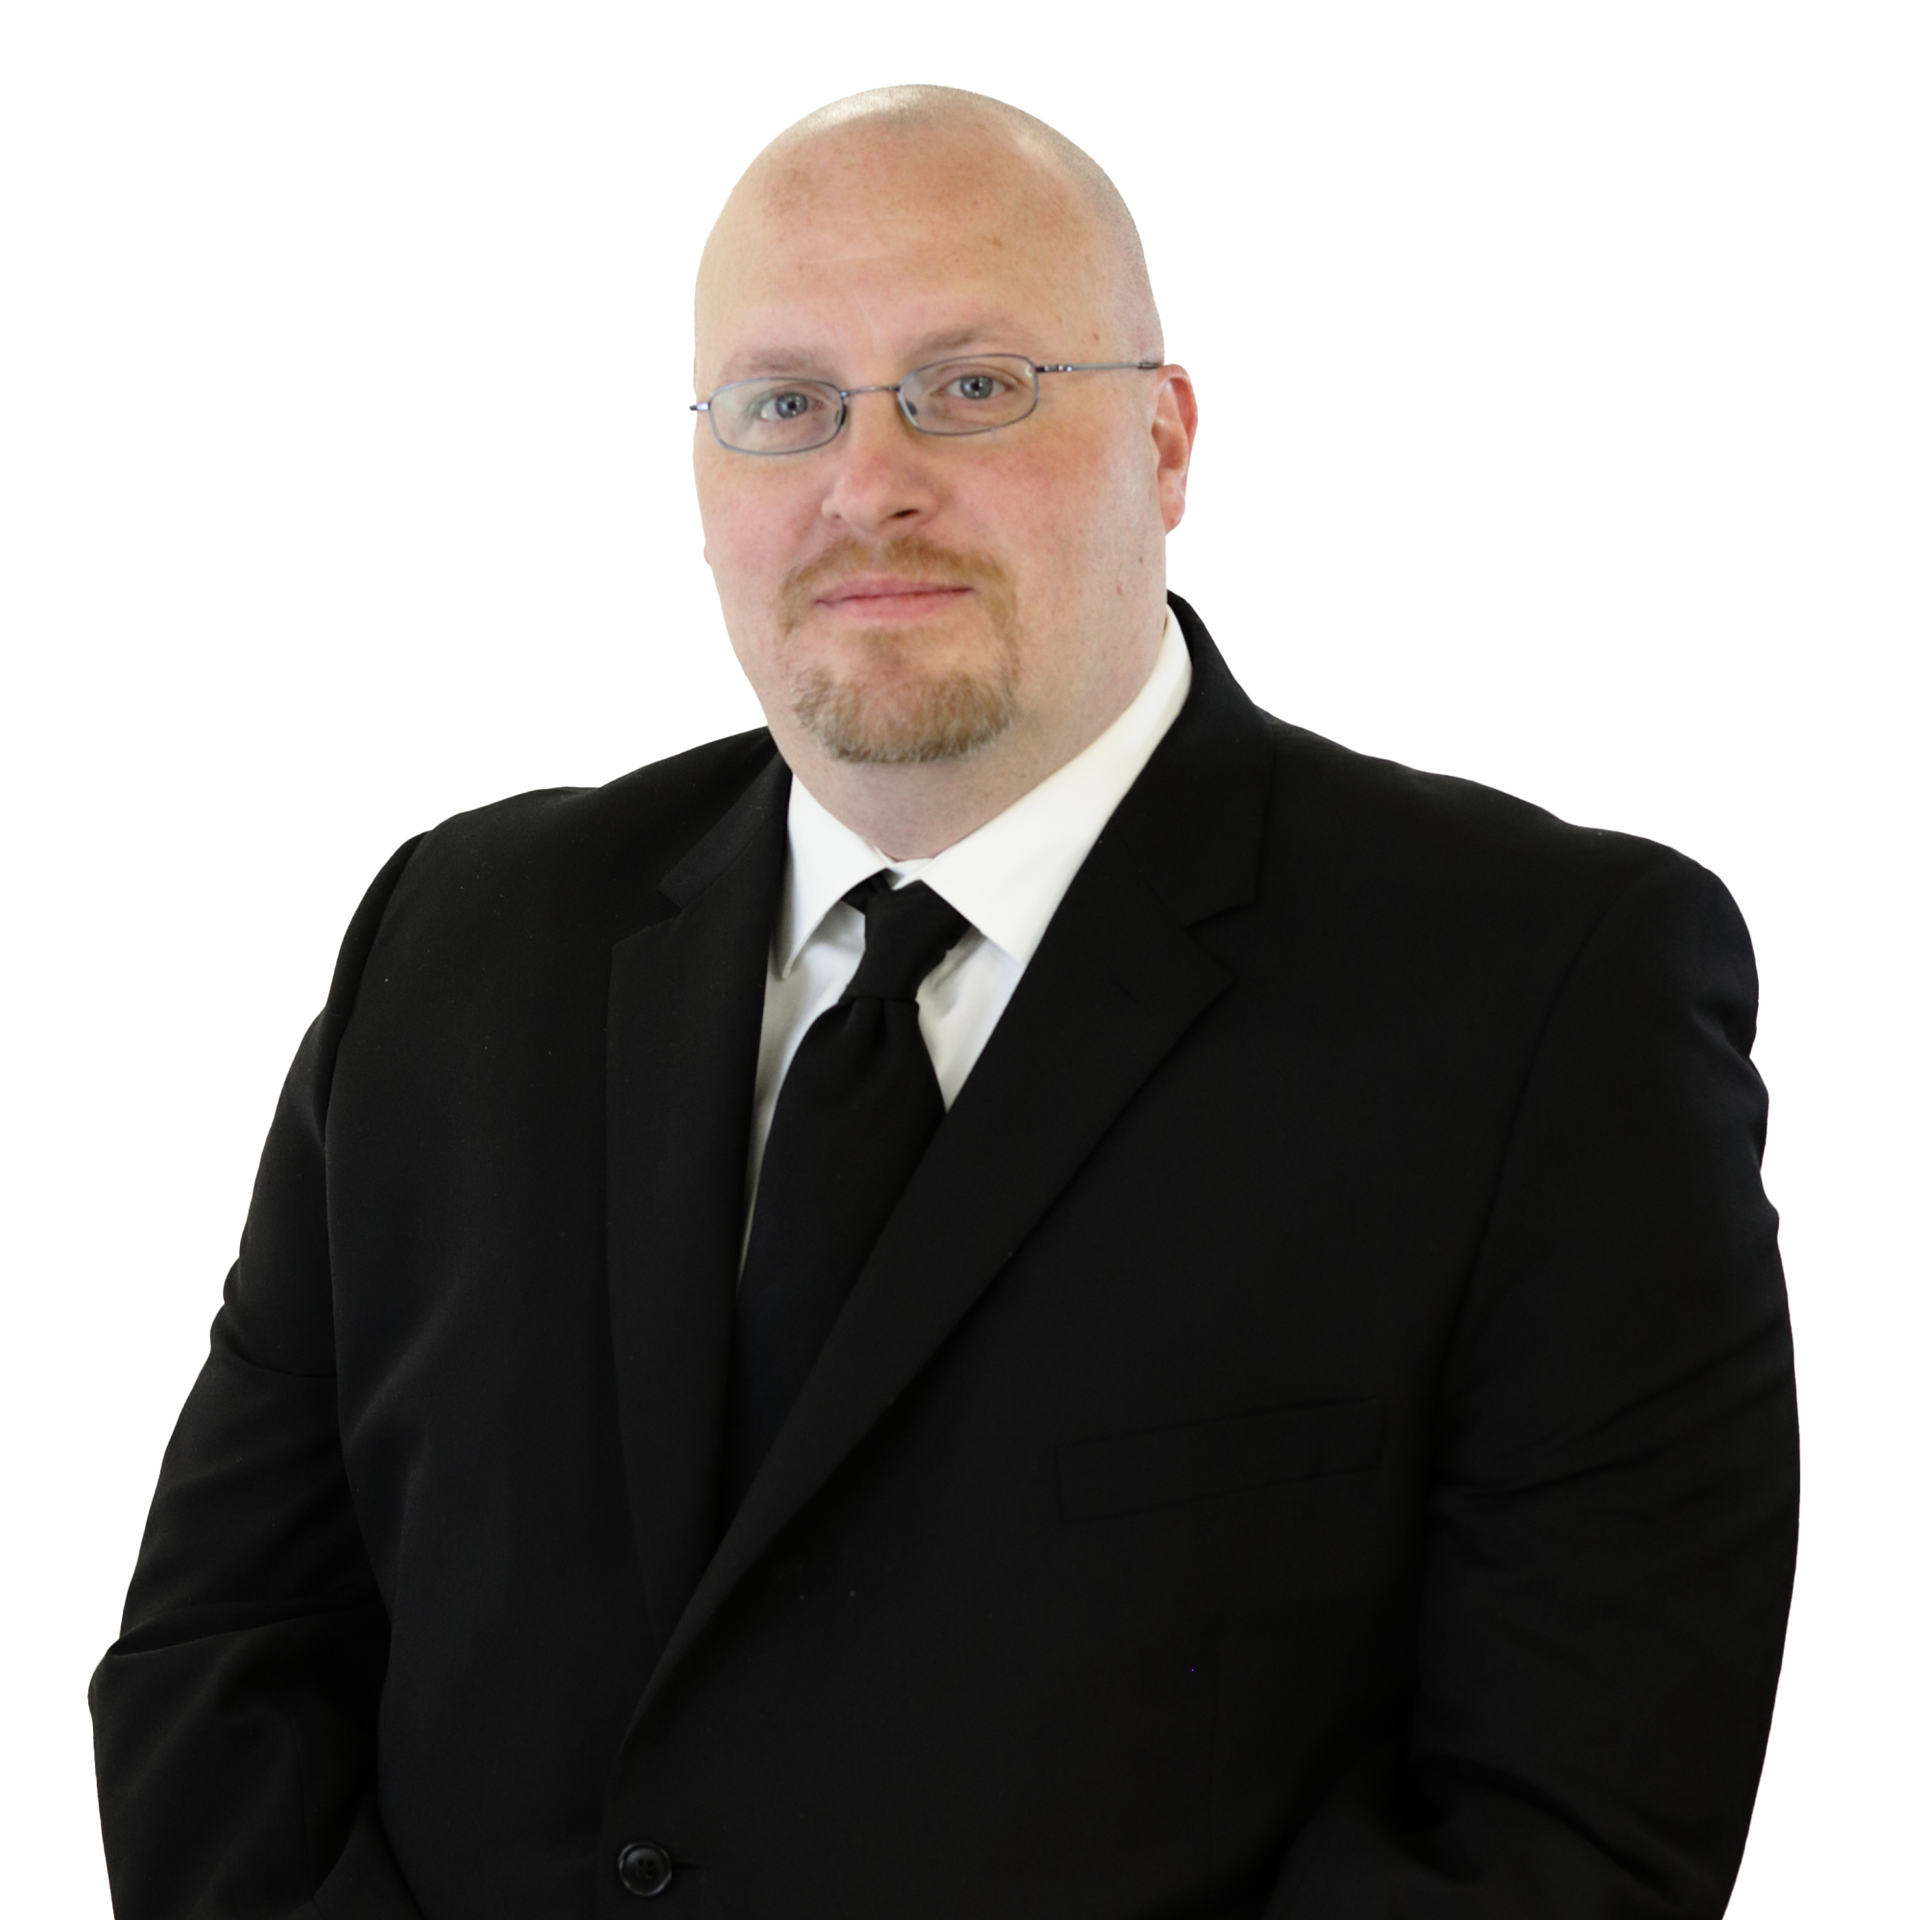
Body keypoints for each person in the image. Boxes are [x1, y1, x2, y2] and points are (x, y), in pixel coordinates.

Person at [87, 81, 1801, 1919]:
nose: (867, 478)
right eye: (784, 405)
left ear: (1166, 442)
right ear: (699, 472)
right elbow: (222, 1661)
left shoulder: (1546, 985)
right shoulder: (453, 935)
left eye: (973, 387)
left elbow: (1569, 1830)